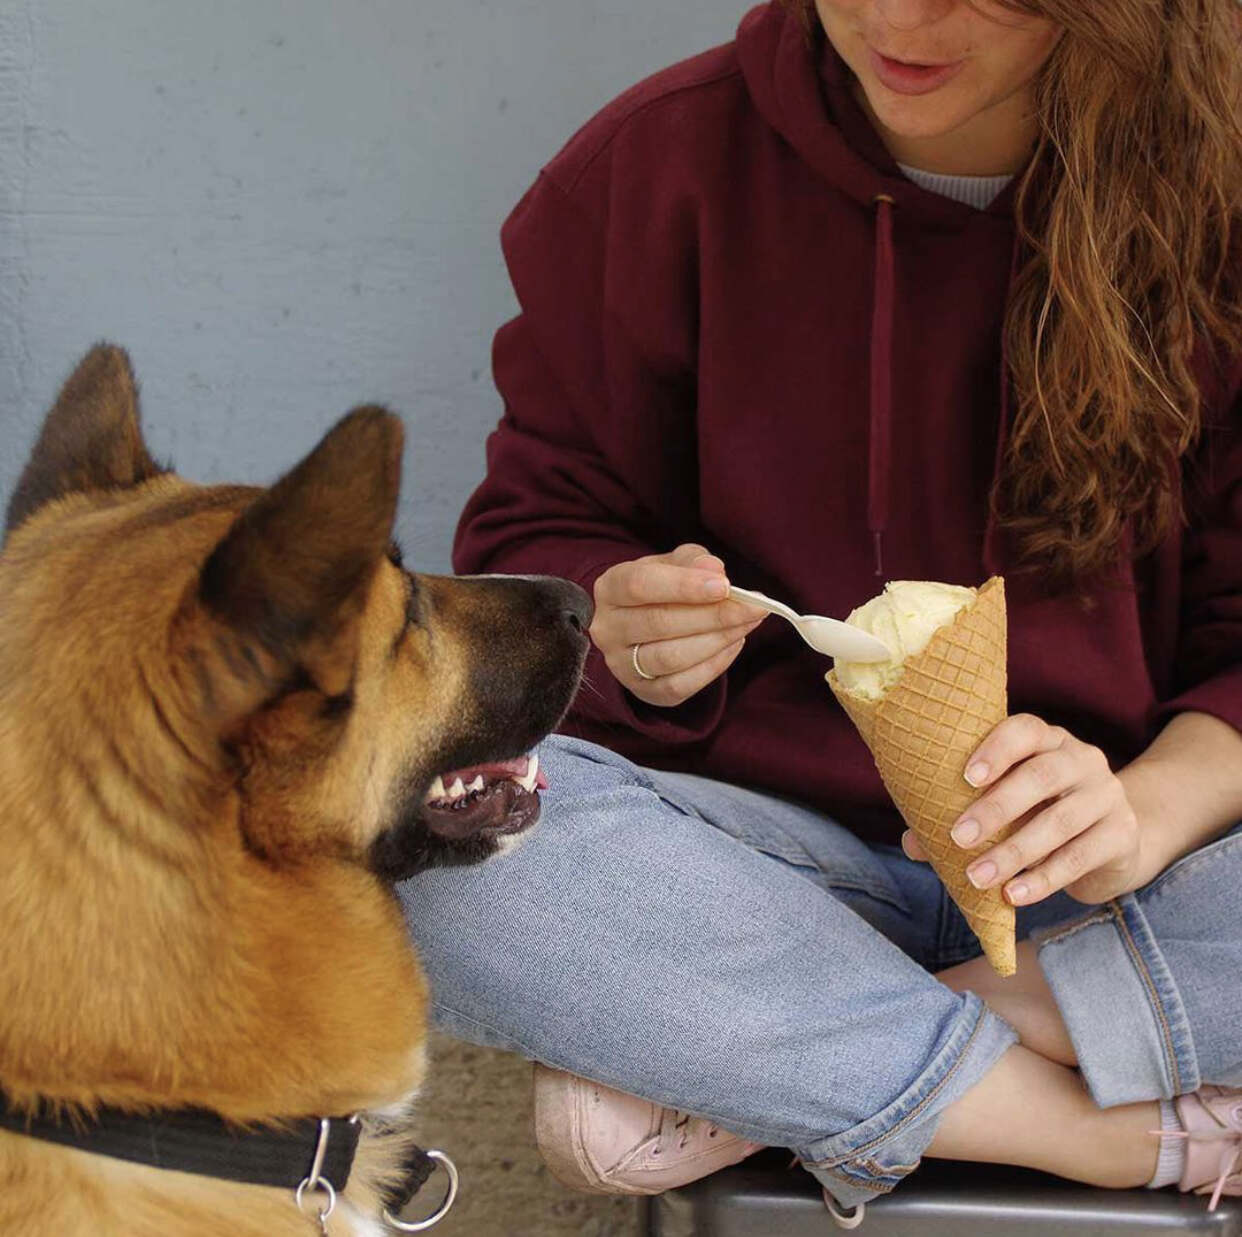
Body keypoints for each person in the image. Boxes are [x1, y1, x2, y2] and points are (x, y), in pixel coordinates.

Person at [399, 0, 1242, 1224]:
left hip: (1132, 873)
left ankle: (781, 1052)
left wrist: (1148, 808)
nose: (900, 18)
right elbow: (534, 534)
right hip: (763, 862)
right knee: (422, 816)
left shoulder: (1216, 191)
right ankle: (1095, 1130)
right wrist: (616, 625)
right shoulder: (654, 169)